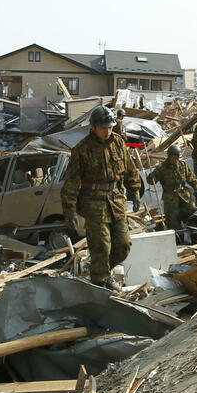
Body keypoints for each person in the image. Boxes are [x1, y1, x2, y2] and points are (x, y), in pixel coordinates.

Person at [61, 105, 140, 291]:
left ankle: (99, 271)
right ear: (93, 127)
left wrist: (135, 192)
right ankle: (100, 281)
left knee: (123, 245)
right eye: (103, 127)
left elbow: (130, 169)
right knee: (101, 247)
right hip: (94, 204)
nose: (107, 131)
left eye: (110, 127)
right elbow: (71, 183)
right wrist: (69, 210)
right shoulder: (82, 149)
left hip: (116, 201)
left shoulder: (119, 142)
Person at [147, 144, 197, 234]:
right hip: (170, 196)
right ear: (169, 157)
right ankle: (178, 234)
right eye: (173, 158)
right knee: (172, 219)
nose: (175, 160)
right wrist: (151, 177)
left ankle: (190, 228)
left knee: (191, 209)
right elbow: (151, 180)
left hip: (183, 193)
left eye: (177, 158)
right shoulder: (162, 167)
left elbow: (192, 179)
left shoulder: (183, 165)